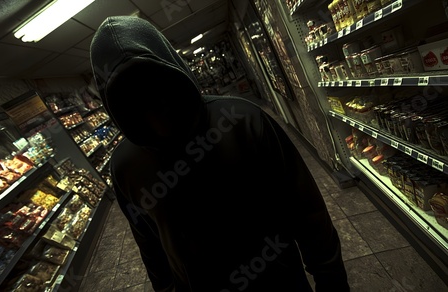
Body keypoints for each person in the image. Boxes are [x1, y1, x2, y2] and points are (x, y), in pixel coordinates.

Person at [90, 15, 350, 292]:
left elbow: (306, 212)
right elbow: (152, 249)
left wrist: (331, 281)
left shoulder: (242, 120)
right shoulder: (125, 166)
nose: (152, 102)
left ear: (173, 71)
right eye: (130, 95)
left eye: (155, 81)